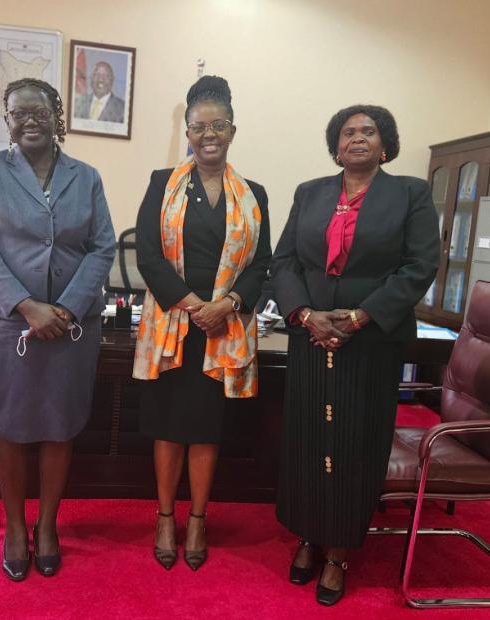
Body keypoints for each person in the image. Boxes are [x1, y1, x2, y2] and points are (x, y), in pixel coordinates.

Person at [271, 104, 439, 605]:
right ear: (336, 145)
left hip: (371, 343)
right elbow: (284, 262)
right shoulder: (311, 193)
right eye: (349, 132)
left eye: (369, 131)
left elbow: (420, 265)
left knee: (354, 444)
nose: (358, 138)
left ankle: (340, 551)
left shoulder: (410, 193)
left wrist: (359, 317)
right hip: (310, 336)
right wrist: (304, 314)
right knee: (306, 439)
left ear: (385, 143)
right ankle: (307, 536)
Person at [0, 78, 115, 581]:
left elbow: (102, 247)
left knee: (59, 427)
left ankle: (47, 525)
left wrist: (65, 308)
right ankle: (13, 527)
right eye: (18, 113)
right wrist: (28, 306)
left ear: (56, 115)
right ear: (7, 120)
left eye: (38, 111)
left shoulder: (86, 177)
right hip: (11, 326)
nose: (28, 120)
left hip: (72, 327)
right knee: (10, 429)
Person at [133, 76, 272, 571]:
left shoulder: (254, 194)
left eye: (218, 125)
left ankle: (198, 517)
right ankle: (165, 515)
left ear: (232, 130)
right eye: (198, 127)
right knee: (169, 428)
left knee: (207, 429)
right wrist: (196, 305)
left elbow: (262, 263)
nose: (208, 134)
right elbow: (147, 256)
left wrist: (228, 304)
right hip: (175, 327)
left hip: (223, 330)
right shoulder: (160, 183)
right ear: (187, 134)